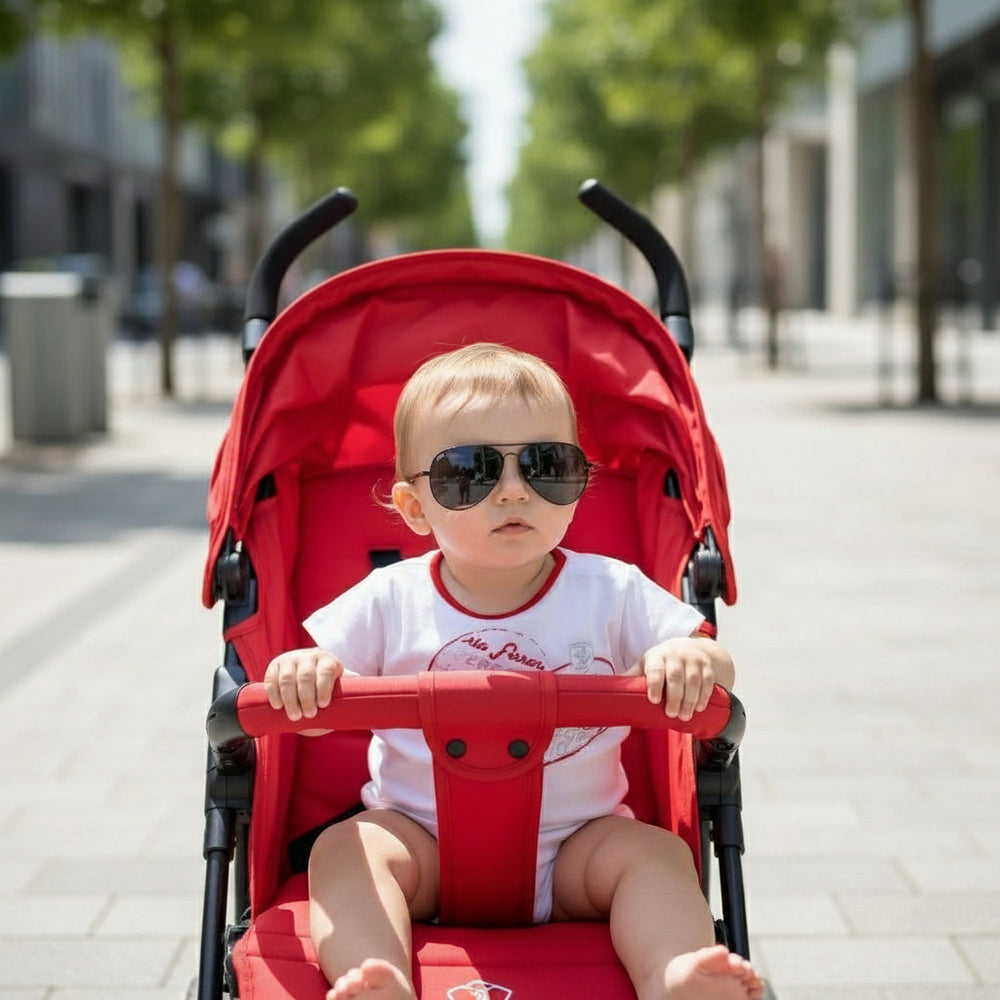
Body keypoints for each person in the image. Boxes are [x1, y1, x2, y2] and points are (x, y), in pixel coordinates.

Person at [265, 343, 764, 1000]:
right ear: (415, 507)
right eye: (469, 472)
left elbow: (717, 667)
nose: (512, 490)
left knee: (656, 854)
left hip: (577, 849)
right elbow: (308, 715)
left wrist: (691, 657)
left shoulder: (611, 591)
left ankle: (675, 976)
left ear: (580, 482)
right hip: (423, 845)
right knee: (345, 849)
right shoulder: (389, 599)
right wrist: (305, 675)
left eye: (547, 466)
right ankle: (378, 976)